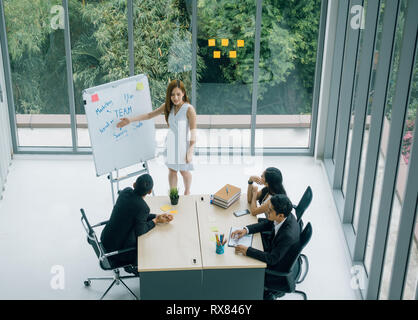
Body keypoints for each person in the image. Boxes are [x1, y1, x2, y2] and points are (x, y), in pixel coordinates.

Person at [117, 79, 197, 195]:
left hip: (183, 145)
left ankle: (187, 191)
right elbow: (149, 115)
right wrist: (130, 120)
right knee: (172, 170)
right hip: (171, 142)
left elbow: (193, 131)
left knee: (184, 171)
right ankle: (173, 193)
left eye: (178, 94)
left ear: (183, 93)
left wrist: (190, 150)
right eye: (172, 94)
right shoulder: (167, 107)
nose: (175, 98)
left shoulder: (189, 109)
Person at [231, 194, 300, 300]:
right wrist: (246, 230)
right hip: (277, 251)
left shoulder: (287, 235)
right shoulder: (286, 216)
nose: (267, 211)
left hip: (277, 266)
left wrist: (248, 250)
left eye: (270, 210)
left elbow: (272, 259)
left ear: (280, 215)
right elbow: (268, 224)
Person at [100, 174, 173, 268]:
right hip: (116, 252)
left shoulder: (125, 191)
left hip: (105, 238)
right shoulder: (143, 207)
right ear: (150, 191)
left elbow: (136, 214)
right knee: (149, 250)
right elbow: (140, 231)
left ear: (134, 184)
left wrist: (156, 216)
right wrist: (155, 221)